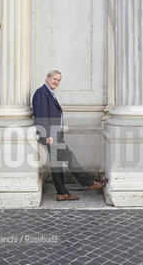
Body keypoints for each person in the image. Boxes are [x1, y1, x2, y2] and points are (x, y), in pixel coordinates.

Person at [32, 70, 108, 201]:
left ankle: (62, 193)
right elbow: (41, 116)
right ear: (47, 78)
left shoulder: (49, 93)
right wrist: (47, 136)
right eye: (54, 79)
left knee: (56, 164)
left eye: (58, 80)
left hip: (55, 134)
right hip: (51, 136)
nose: (56, 82)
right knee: (70, 158)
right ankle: (89, 183)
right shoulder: (41, 93)